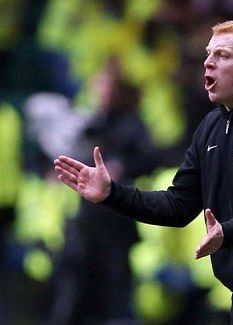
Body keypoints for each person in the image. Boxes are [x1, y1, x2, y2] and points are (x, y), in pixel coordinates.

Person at [54, 20, 233, 324]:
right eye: (209, 54)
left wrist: (228, 232)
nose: (208, 63)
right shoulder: (212, 126)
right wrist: (112, 194)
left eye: (223, 55)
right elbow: (179, 205)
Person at [49, 60, 159, 324]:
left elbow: (151, 159)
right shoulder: (90, 124)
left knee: (116, 293)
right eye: (96, 86)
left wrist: (121, 166)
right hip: (86, 223)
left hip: (116, 222)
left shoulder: (133, 125)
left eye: (104, 86)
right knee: (74, 290)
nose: (98, 92)